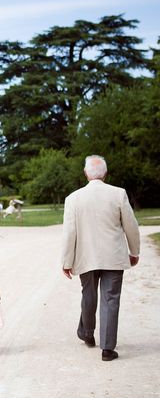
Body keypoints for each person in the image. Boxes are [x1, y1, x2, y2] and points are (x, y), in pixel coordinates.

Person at [61, 155, 140, 362]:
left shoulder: (73, 199)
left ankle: (87, 334)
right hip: (113, 256)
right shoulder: (118, 194)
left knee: (88, 295)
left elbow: (70, 233)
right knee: (110, 299)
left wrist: (66, 262)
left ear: (86, 173)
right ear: (105, 173)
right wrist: (134, 251)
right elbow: (131, 226)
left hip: (85, 256)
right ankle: (107, 348)